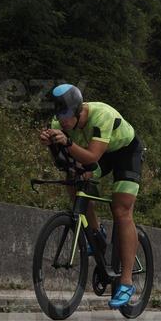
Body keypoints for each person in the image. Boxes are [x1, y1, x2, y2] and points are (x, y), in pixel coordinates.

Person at [37, 84, 144, 308]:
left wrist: (66, 142)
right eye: (58, 114)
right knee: (73, 178)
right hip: (98, 155)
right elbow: (64, 162)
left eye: (66, 114)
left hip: (125, 153)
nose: (62, 120)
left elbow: (92, 155)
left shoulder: (101, 115)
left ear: (78, 110)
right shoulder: (60, 123)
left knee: (121, 209)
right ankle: (96, 233)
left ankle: (126, 281)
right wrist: (52, 145)